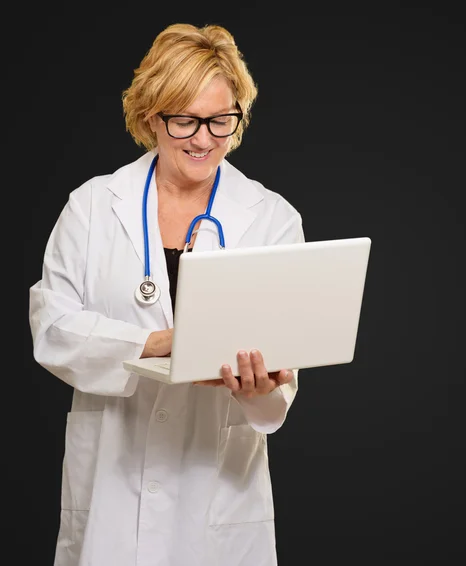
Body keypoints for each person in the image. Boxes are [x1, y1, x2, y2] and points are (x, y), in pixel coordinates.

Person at [29, 22, 303, 566]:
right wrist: (155, 343)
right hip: (112, 487)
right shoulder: (92, 207)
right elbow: (53, 331)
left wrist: (257, 392)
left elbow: (278, 395)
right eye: (186, 120)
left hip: (217, 501)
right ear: (152, 116)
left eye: (221, 120)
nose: (205, 138)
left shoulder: (271, 218)